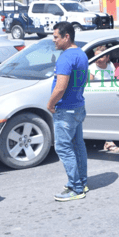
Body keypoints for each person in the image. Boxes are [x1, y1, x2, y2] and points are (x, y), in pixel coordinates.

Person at [47, 22, 88, 202]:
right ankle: (82, 181)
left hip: (66, 110)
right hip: (78, 106)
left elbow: (60, 88)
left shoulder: (65, 58)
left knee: (63, 147)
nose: (53, 40)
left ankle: (76, 187)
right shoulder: (81, 54)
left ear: (66, 37)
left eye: (56, 37)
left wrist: (50, 104)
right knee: (78, 146)